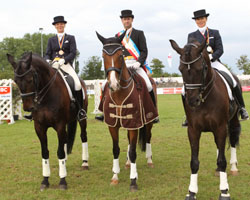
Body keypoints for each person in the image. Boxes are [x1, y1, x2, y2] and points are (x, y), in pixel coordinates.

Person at [181, 9, 249, 126]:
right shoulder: (191, 36)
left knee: (232, 81)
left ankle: (242, 108)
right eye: (198, 19)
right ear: (195, 21)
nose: (200, 21)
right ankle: (188, 116)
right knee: (183, 90)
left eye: (202, 18)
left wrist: (212, 57)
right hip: (199, 65)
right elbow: (190, 51)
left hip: (214, 62)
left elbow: (220, 49)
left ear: (206, 19)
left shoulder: (214, 33)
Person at [95, 10, 159, 123]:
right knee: (105, 84)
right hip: (122, 66)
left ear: (132, 20)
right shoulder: (118, 36)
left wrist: (138, 62)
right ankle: (103, 112)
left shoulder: (139, 33)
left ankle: (153, 112)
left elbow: (144, 51)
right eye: (124, 19)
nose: (126, 21)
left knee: (148, 85)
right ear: (122, 21)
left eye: (128, 18)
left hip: (136, 64)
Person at [24, 16, 85, 121]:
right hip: (53, 65)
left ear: (64, 25)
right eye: (57, 24)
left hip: (66, 65)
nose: (59, 26)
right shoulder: (51, 39)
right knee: (39, 82)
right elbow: (47, 53)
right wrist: (47, 60)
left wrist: (64, 60)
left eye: (61, 24)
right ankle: (34, 111)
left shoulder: (70, 38)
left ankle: (80, 111)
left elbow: (73, 52)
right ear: (55, 26)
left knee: (78, 84)